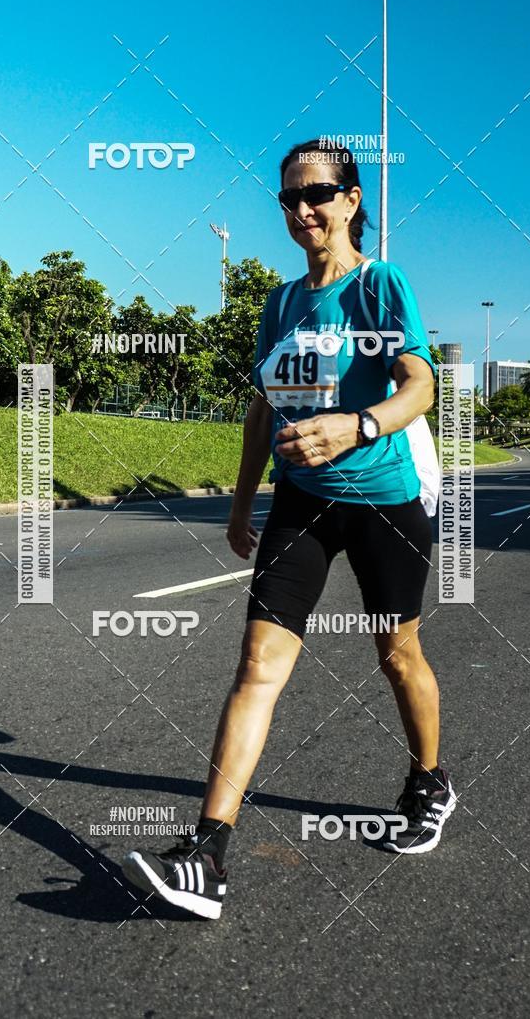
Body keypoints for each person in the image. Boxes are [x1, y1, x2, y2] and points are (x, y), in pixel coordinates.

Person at [121, 138, 456, 920]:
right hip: (300, 500)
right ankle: (208, 852)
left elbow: (422, 384)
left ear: (351, 199)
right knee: (256, 665)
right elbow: (262, 408)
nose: (301, 209)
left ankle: (428, 780)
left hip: (384, 500)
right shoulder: (280, 303)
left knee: (397, 651)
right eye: (288, 198)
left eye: (317, 193)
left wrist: (358, 425)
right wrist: (244, 503)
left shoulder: (379, 285)